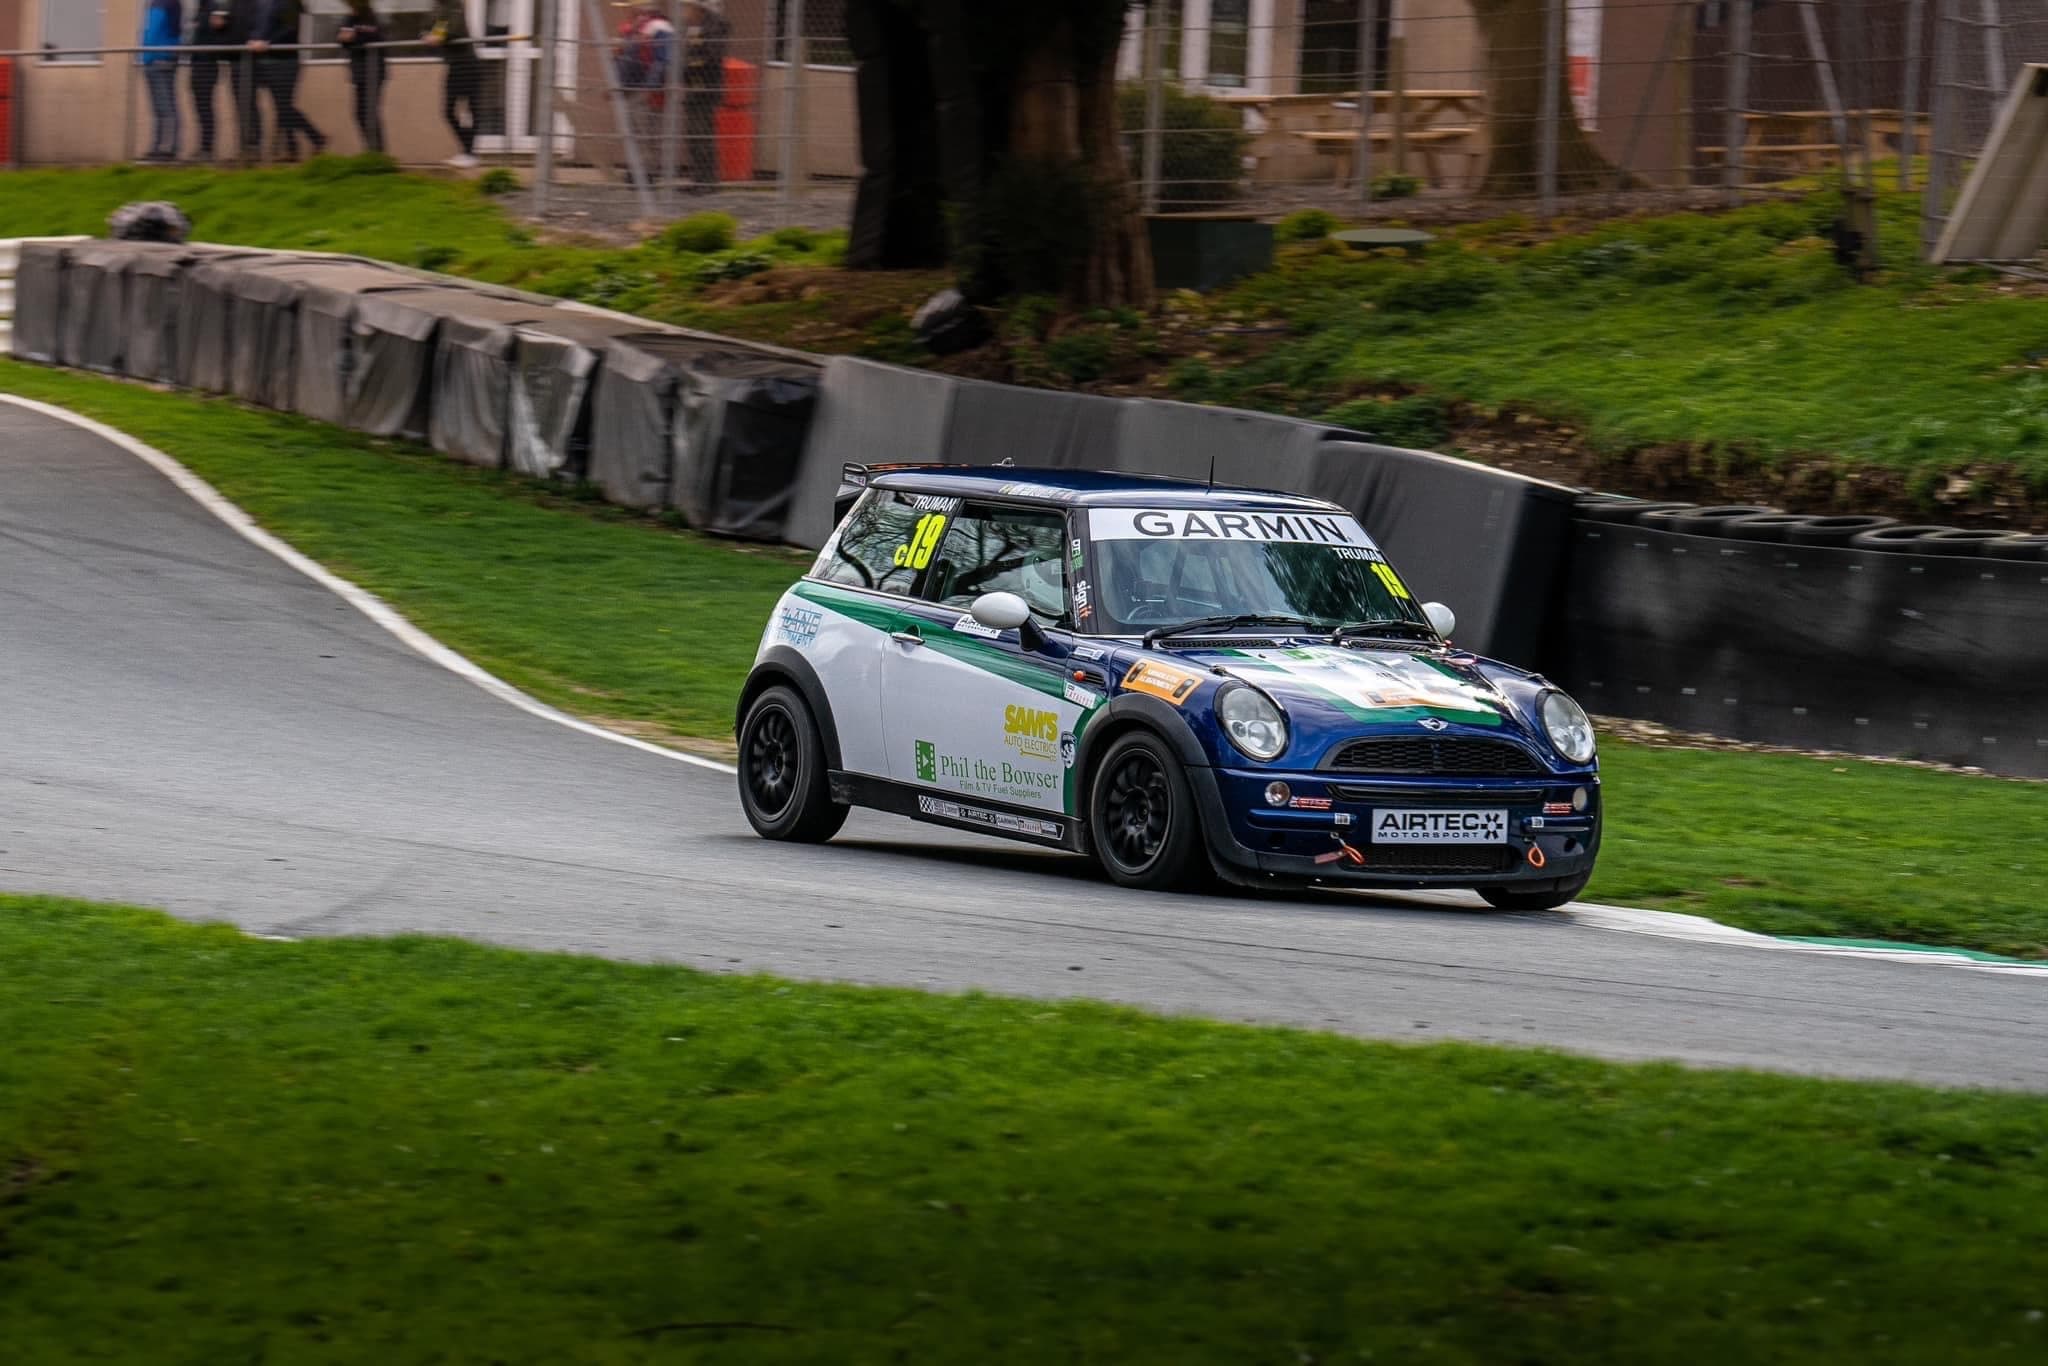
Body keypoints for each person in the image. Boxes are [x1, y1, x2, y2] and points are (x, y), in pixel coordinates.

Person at [248, 0, 328, 160]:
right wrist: (254, 39)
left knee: (284, 107)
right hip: (268, 61)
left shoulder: (290, 4)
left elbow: (290, 30)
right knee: (282, 107)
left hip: (285, 62)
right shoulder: (266, 4)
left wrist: (267, 43)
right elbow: (260, 27)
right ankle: (292, 149)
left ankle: (315, 137)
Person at [613, 3, 674, 189]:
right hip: (630, 87)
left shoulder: (658, 26)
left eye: (626, 6)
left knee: (646, 132)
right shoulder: (633, 28)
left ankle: (647, 174)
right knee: (634, 132)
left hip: (644, 88)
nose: (622, 11)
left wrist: (651, 86)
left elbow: (662, 60)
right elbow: (625, 60)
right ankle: (636, 171)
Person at [425, 0, 481, 169]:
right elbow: (426, 27)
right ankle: (467, 150)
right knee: (448, 110)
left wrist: (438, 36)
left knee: (472, 110)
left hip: (468, 65)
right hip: (454, 65)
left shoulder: (455, 5)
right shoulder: (437, 7)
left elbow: (455, 30)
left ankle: (469, 153)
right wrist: (426, 35)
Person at [680, 0, 729, 192]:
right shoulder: (694, 28)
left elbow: (711, 56)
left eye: (687, 7)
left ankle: (707, 181)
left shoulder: (714, 27)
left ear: (698, 8)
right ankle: (699, 180)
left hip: (706, 88)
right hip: (693, 87)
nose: (685, 11)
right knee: (694, 135)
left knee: (702, 135)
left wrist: (689, 64)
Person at [335, 0, 386, 153]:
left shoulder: (371, 18)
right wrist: (347, 37)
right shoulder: (349, 19)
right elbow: (341, 38)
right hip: (358, 72)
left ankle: (378, 152)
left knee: (370, 111)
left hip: (374, 71)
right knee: (359, 113)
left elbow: (376, 38)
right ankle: (372, 149)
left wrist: (354, 37)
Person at [139, 0, 184, 161]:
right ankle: (158, 147)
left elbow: (154, 33)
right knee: (160, 108)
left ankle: (168, 149)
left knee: (166, 107)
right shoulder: (158, 4)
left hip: (160, 60)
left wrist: (149, 55)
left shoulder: (165, 4)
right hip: (154, 59)